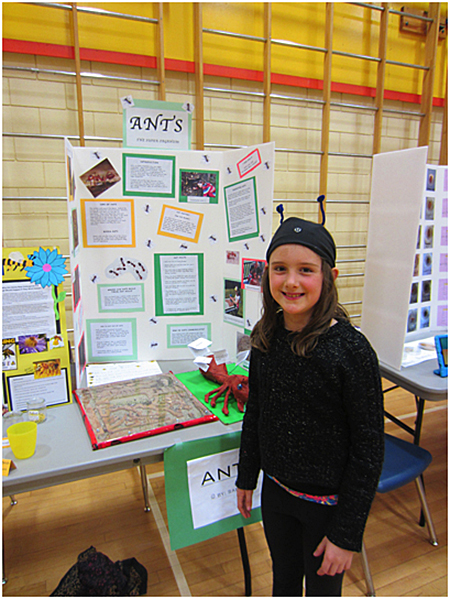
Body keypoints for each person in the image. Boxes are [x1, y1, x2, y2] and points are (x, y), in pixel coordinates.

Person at [236, 216, 384, 597]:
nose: (291, 282)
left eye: (306, 270)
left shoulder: (351, 352)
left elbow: (368, 450)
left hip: (326, 508)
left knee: (321, 591)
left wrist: (347, 534)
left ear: (329, 276)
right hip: (277, 493)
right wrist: (247, 475)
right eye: (280, 269)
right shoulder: (265, 338)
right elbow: (256, 414)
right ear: (267, 273)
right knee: (283, 580)